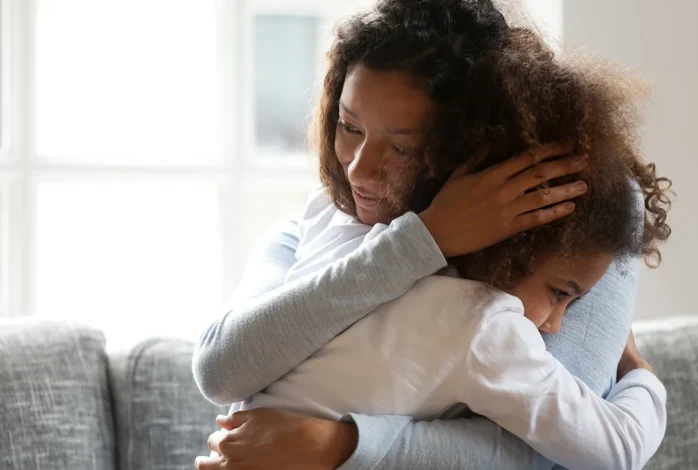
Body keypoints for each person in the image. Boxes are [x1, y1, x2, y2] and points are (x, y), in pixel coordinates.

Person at [193, 1, 672, 469]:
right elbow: (221, 370)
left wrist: (341, 446)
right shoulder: (327, 219)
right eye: (349, 125)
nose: (358, 171)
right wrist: (638, 371)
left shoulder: (574, 217)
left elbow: (543, 458)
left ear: (463, 152)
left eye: (401, 149)